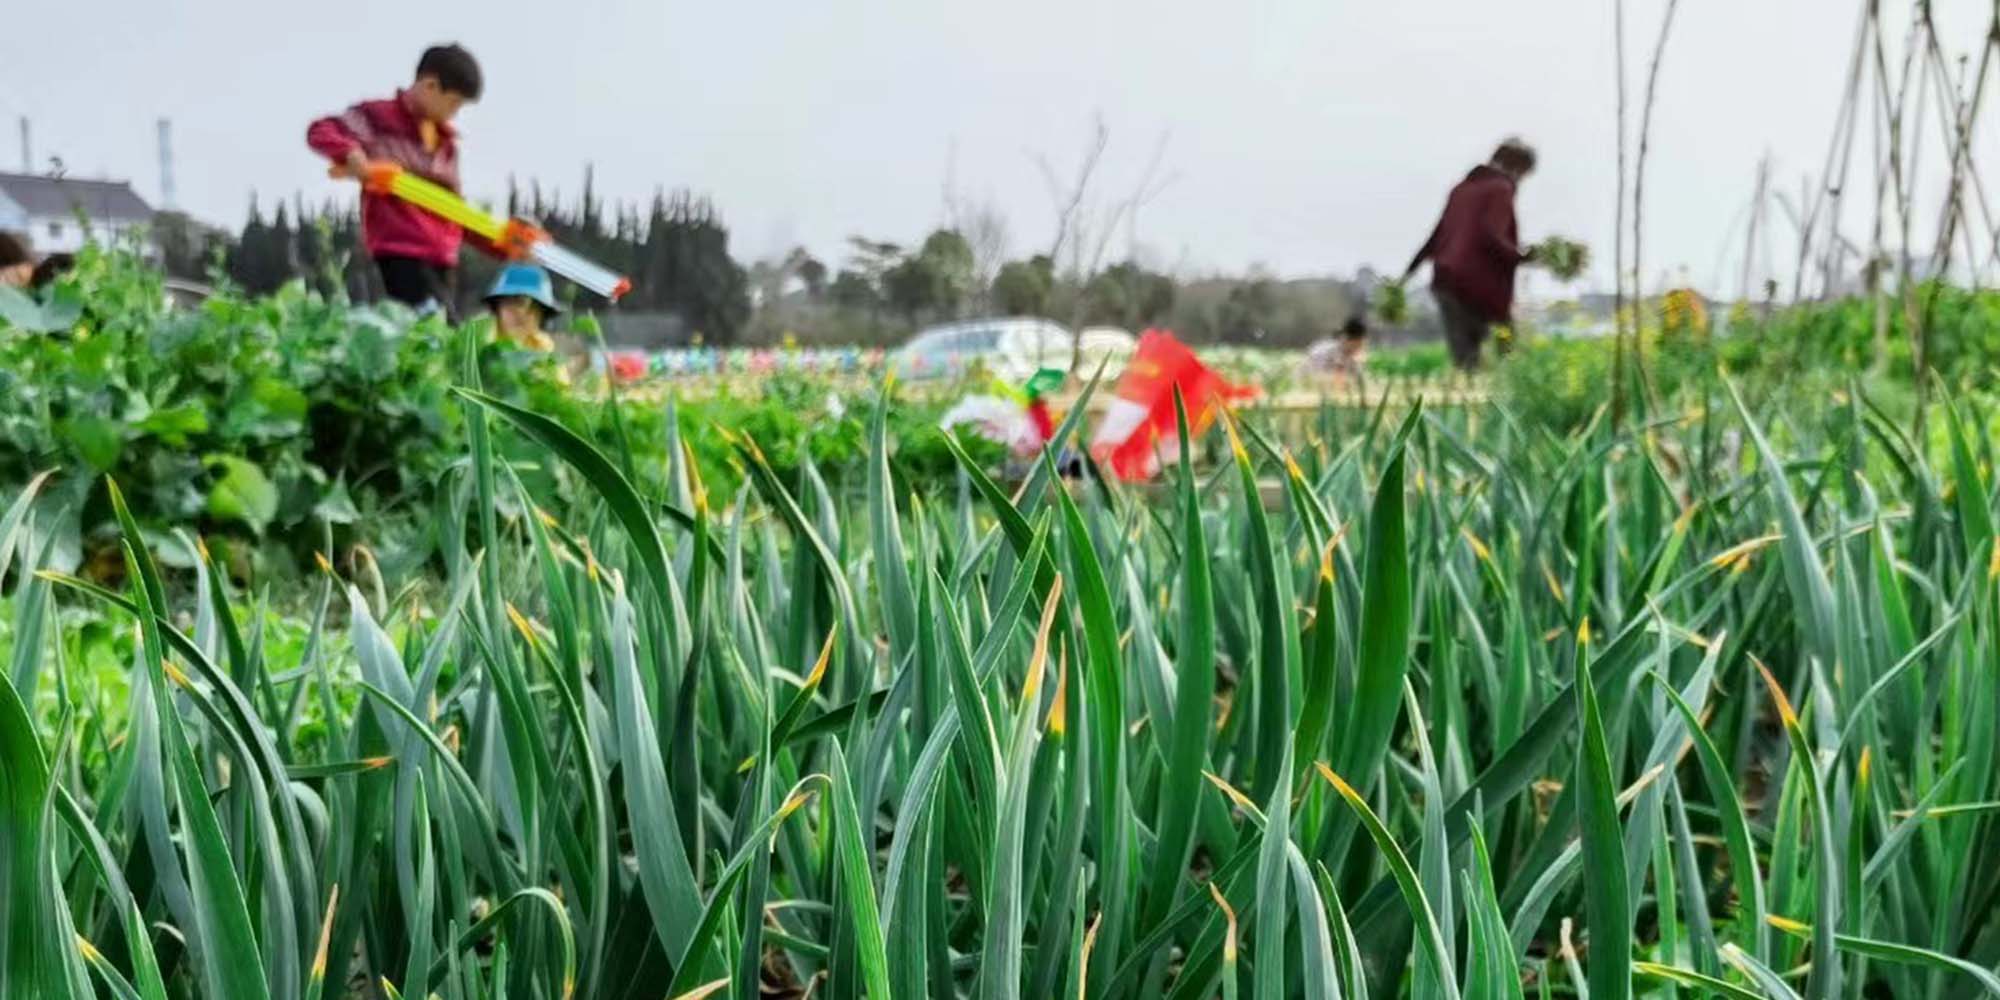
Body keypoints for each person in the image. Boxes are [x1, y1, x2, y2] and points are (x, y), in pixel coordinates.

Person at [307, 43, 500, 319]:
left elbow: (455, 211)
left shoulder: (447, 148)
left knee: (438, 334)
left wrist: (500, 244)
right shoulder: (377, 119)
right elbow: (322, 130)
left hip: (443, 258)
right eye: (454, 103)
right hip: (401, 251)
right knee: (434, 329)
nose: (455, 113)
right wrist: (351, 154)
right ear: (430, 86)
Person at [1404, 138, 1538, 371]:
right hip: (1479, 285)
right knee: (1506, 349)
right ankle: (1504, 396)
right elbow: (1491, 234)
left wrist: (1407, 274)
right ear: (1517, 168)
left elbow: (1437, 235)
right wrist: (1522, 256)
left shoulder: (1461, 189)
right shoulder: (1500, 188)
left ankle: (1471, 395)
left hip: (1446, 281)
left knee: (1465, 359)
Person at [485, 263, 560, 351]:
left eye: (532, 307)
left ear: (542, 316)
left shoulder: (542, 347)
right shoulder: (479, 344)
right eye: (511, 303)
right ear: (497, 309)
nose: (520, 314)